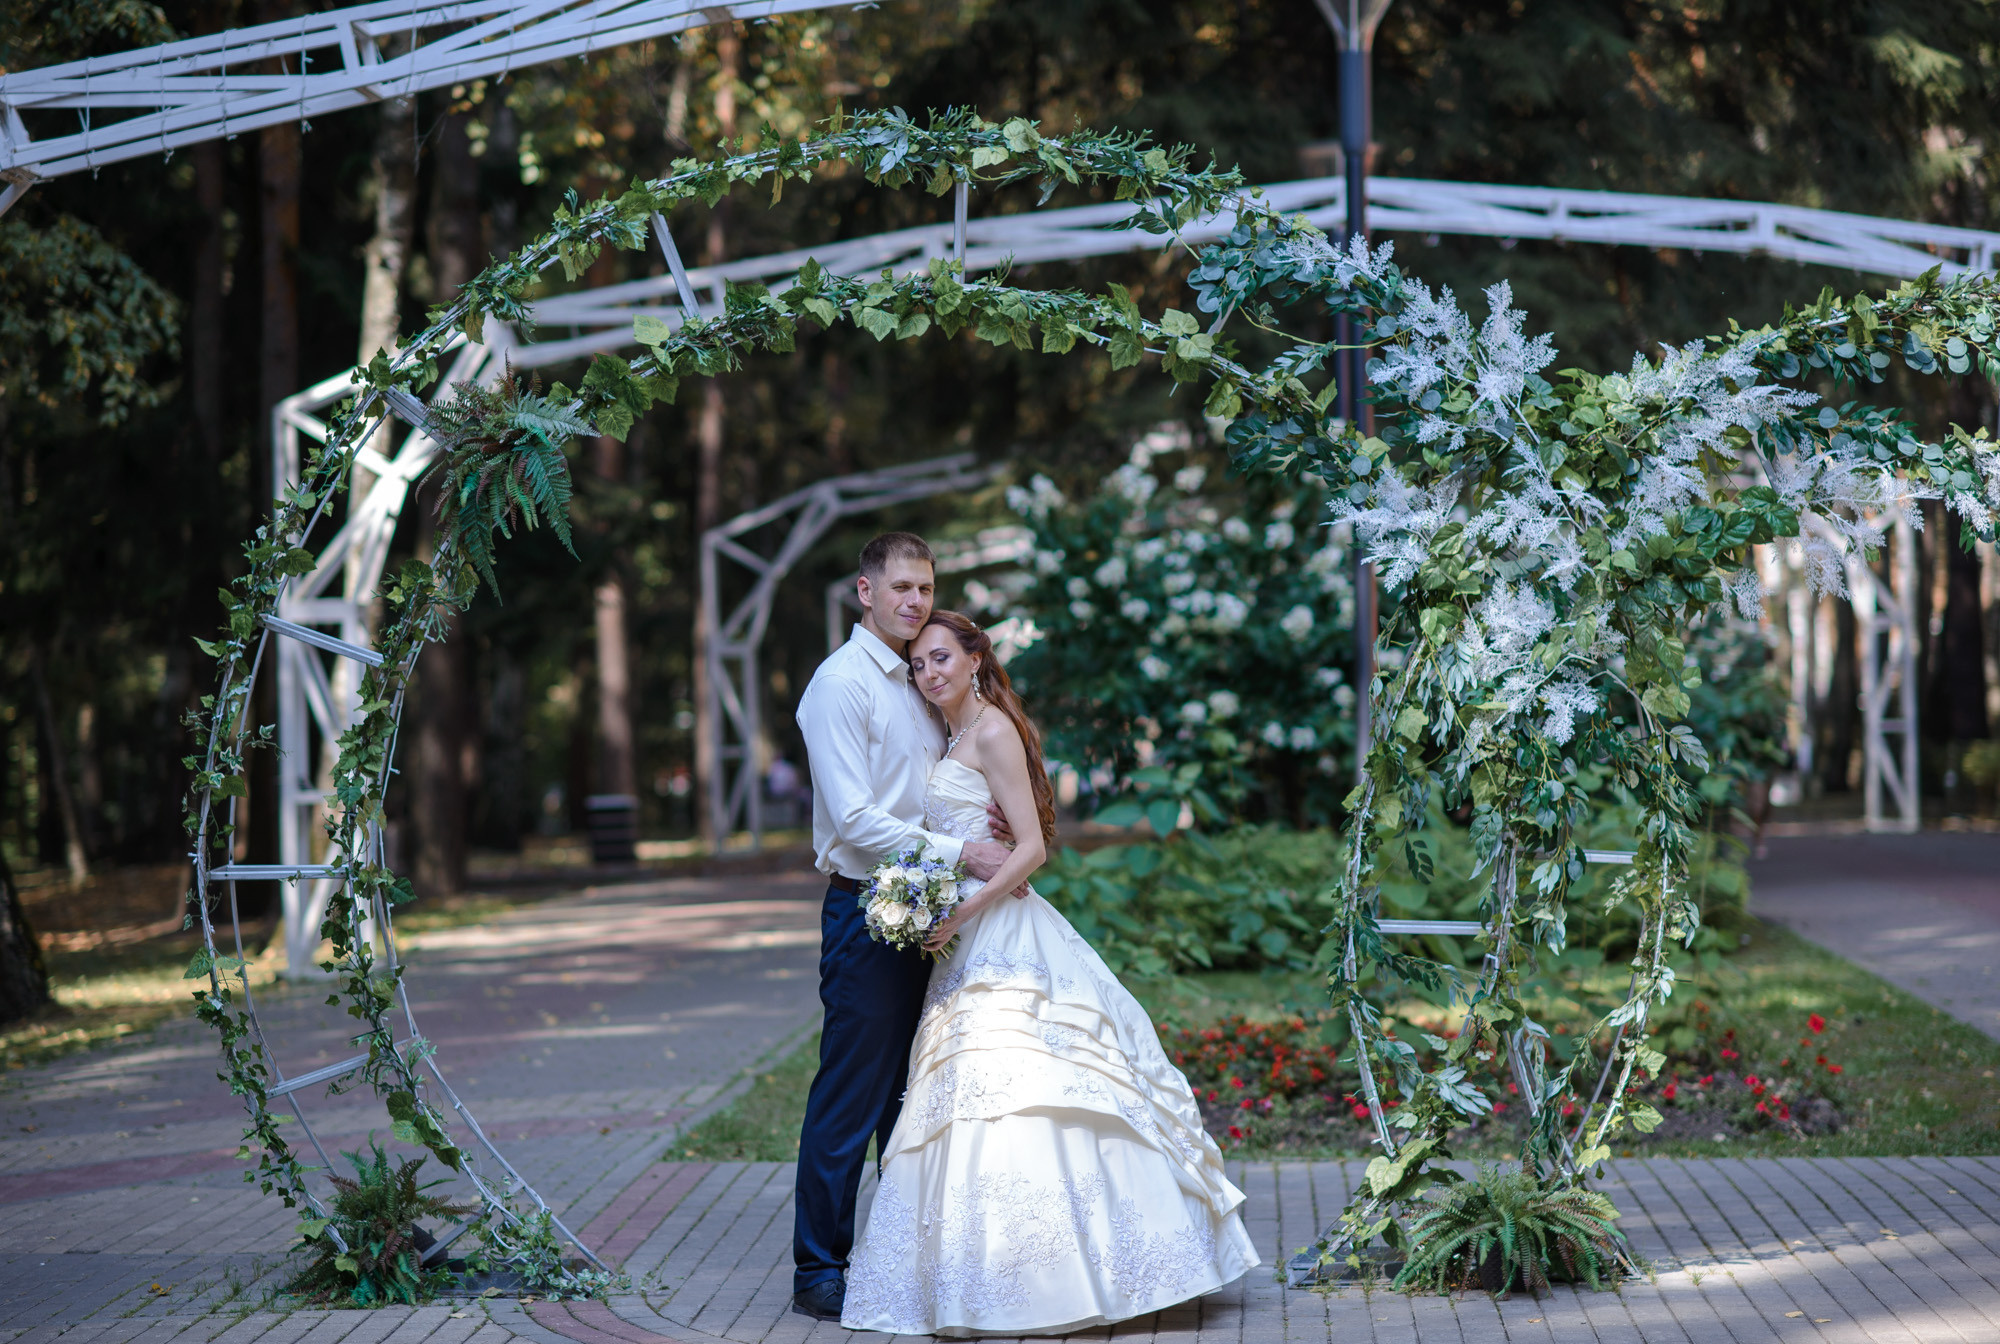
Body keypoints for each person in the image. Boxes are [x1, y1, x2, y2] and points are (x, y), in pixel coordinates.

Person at [841, 610, 1260, 1337]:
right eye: (917, 665)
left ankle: (1075, 1277)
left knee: (1026, 1082)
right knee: (966, 1097)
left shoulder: (995, 729)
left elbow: (1031, 849)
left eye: (941, 658)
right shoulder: (954, 735)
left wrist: (964, 913)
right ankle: (976, 1280)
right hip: (963, 934)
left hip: (998, 930)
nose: (928, 673)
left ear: (976, 658)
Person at [790, 533, 1014, 1322]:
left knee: (913, 1099)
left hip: (936, 911)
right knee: (852, 1098)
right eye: (902, 589)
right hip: (866, 909)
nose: (915, 602)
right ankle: (818, 1270)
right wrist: (964, 849)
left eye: (925, 588)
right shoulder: (840, 685)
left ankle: (902, 1254)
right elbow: (853, 819)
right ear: (865, 591)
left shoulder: (921, 677)